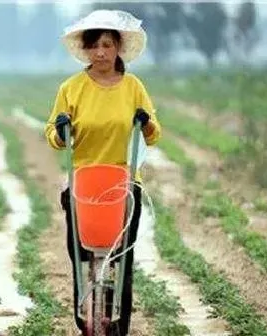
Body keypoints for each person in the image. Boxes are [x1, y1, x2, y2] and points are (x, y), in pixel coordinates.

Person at [43, 9, 162, 336]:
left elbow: (154, 134)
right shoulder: (72, 88)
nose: (101, 52)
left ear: (118, 48)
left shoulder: (134, 87)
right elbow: (52, 135)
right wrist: (61, 130)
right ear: (85, 49)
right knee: (79, 256)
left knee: (122, 258)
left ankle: (119, 325)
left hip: (123, 186)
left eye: (107, 45)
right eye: (94, 46)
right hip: (84, 183)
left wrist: (146, 120)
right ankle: (86, 321)